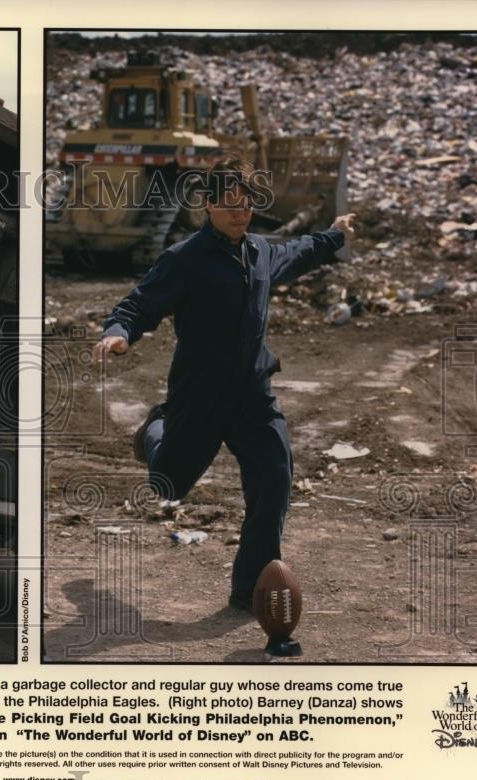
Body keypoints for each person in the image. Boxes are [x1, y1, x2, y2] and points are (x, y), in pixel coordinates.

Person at [93, 156, 356, 612]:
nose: (240, 213)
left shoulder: (260, 253)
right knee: (167, 485)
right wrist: (118, 332)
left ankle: (250, 589)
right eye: (230, 204)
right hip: (199, 395)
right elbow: (139, 305)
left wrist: (334, 234)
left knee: (274, 479)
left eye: (247, 203)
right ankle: (155, 428)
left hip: (253, 393)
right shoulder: (185, 259)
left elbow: (301, 250)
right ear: (209, 205)